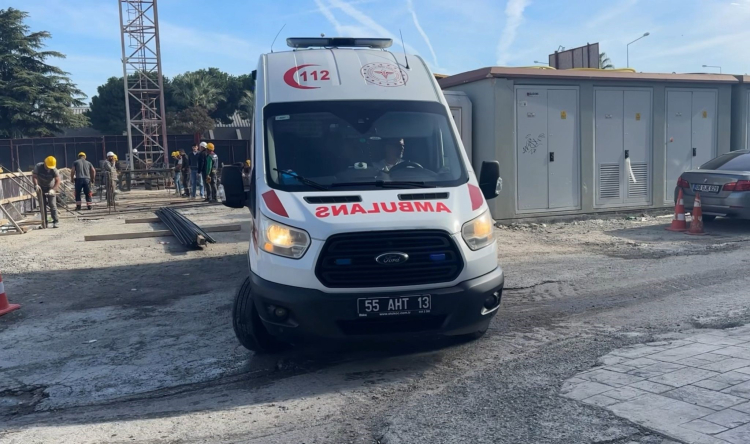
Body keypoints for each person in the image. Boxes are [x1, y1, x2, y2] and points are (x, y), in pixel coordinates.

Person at [32, 156, 61, 228]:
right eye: (48, 166)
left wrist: (53, 189)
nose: (49, 168)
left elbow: (58, 180)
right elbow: (34, 176)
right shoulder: (38, 167)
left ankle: (56, 221)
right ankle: (44, 223)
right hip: (40, 188)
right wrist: (36, 185)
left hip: (50, 187)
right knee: (42, 205)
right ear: (44, 163)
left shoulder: (54, 169)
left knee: (52, 205)